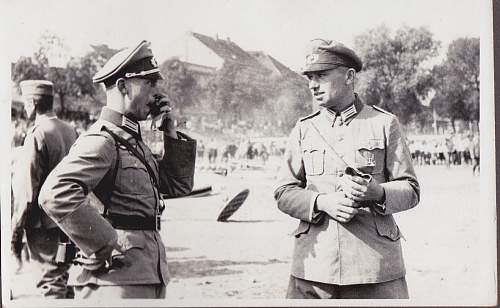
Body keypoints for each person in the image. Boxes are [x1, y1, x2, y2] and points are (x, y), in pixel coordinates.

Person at [38, 40, 196, 299]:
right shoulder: (103, 140)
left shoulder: (131, 140)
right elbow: (55, 194)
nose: (158, 93)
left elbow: (178, 186)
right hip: (116, 281)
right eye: (149, 83)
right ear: (123, 86)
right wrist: (103, 245)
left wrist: (170, 132)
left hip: (145, 272)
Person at [274, 39, 420, 299]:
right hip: (316, 269)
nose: (312, 85)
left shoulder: (384, 123)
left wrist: (377, 192)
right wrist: (321, 202)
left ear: (349, 76)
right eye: (309, 77)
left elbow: (411, 190)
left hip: (376, 268)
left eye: (321, 76)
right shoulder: (304, 129)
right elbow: (283, 191)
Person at [11, 80, 78, 298]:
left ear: (31, 103)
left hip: (43, 226)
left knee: (50, 284)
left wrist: (16, 229)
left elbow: (27, 190)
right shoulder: (70, 130)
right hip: (69, 223)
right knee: (63, 278)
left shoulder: (38, 134)